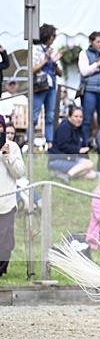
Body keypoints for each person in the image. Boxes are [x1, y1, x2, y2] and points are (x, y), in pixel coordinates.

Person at [0, 113, 25, 278]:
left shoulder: (13, 147)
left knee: (6, 241)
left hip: (6, 203)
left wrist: (7, 155)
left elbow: (19, 172)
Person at [31, 23, 63, 146]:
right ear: (47, 36)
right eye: (53, 35)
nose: (54, 38)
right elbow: (32, 69)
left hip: (51, 86)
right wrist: (45, 60)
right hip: (40, 86)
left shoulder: (51, 51)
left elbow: (60, 74)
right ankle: (30, 142)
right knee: (34, 115)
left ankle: (50, 143)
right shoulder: (36, 50)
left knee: (50, 116)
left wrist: (54, 62)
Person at [48, 106, 97, 183]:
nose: (79, 119)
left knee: (92, 174)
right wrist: (78, 150)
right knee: (89, 164)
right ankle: (67, 176)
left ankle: (59, 174)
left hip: (71, 159)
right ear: (69, 117)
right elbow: (63, 145)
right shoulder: (65, 127)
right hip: (58, 159)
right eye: (76, 116)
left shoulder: (79, 129)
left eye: (81, 117)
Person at [4, 124, 42, 211]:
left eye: (12, 133)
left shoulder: (16, 148)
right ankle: (24, 203)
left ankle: (38, 202)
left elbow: (19, 169)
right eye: (7, 133)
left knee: (26, 184)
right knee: (15, 186)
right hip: (7, 180)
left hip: (17, 176)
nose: (10, 135)